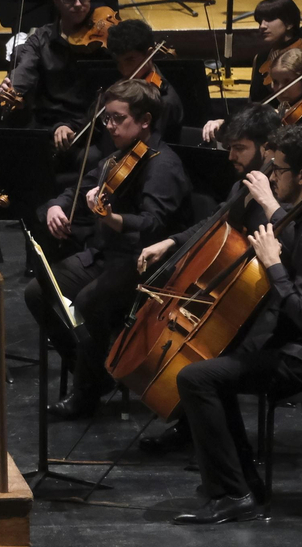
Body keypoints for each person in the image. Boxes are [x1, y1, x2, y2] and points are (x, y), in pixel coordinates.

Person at [171, 125, 302, 525]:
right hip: (299, 345)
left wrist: (273, 265)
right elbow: (288, 224)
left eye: (279, 170)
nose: (271, 176)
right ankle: (243, 485)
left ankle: (233, 492)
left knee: (195, 379)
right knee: (215, 365)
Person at [26, 79, 192, 419]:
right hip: (105, 257)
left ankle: (86, 393)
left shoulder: (163, 165)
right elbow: (76, 190)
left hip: (146, 263)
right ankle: (95, 372)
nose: (111, 126)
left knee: (89, 301)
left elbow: (153, 225)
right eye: (107, 118)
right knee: (37, 292)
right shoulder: (117, 158)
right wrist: (57, 206)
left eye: (118, 119)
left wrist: (113, 218)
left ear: (145, 121)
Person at [133, 102, 282, 455]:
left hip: (268, 304)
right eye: (229, 147)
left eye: (240, 148)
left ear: (265, 149)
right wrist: (169, 242)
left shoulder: (275, 196)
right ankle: (195, 427)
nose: (231, 156)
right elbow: (214, 223)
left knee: (207, 355)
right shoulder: (243, 186)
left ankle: (216, 441)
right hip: (236, 292)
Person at [5, 0, 106, 148]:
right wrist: (11, 88)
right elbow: (25, 68)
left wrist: (73, 125)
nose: (78, 4)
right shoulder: (40, 39)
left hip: (91, 124)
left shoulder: (104, 40)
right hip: (48, 124)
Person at [100, 18, 183, 143]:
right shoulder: (117, 82)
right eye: (118, 62)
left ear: (149, 54)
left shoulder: (164, 100)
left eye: (129, 60)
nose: (124, 70)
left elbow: (152, 144)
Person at [245, 0, 302, 104]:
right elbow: (252, 101)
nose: (262, 26)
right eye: (260, 21)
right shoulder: (260, 58)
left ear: (289, 23)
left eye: (269, 19)